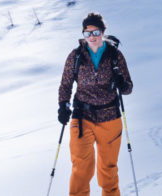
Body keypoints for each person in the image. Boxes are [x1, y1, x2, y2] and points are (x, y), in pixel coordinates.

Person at [58, 12, 133, 196]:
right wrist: (63, 105)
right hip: (82, 117)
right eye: (87, 33)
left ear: (103, 32)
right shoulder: (75, 56)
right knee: (81, 170)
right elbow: (66, 84)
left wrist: (122, 83)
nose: (92, 37)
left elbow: (128, 87)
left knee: (108, 172)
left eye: (96, 32)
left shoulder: (114, 55)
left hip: (110, 118)